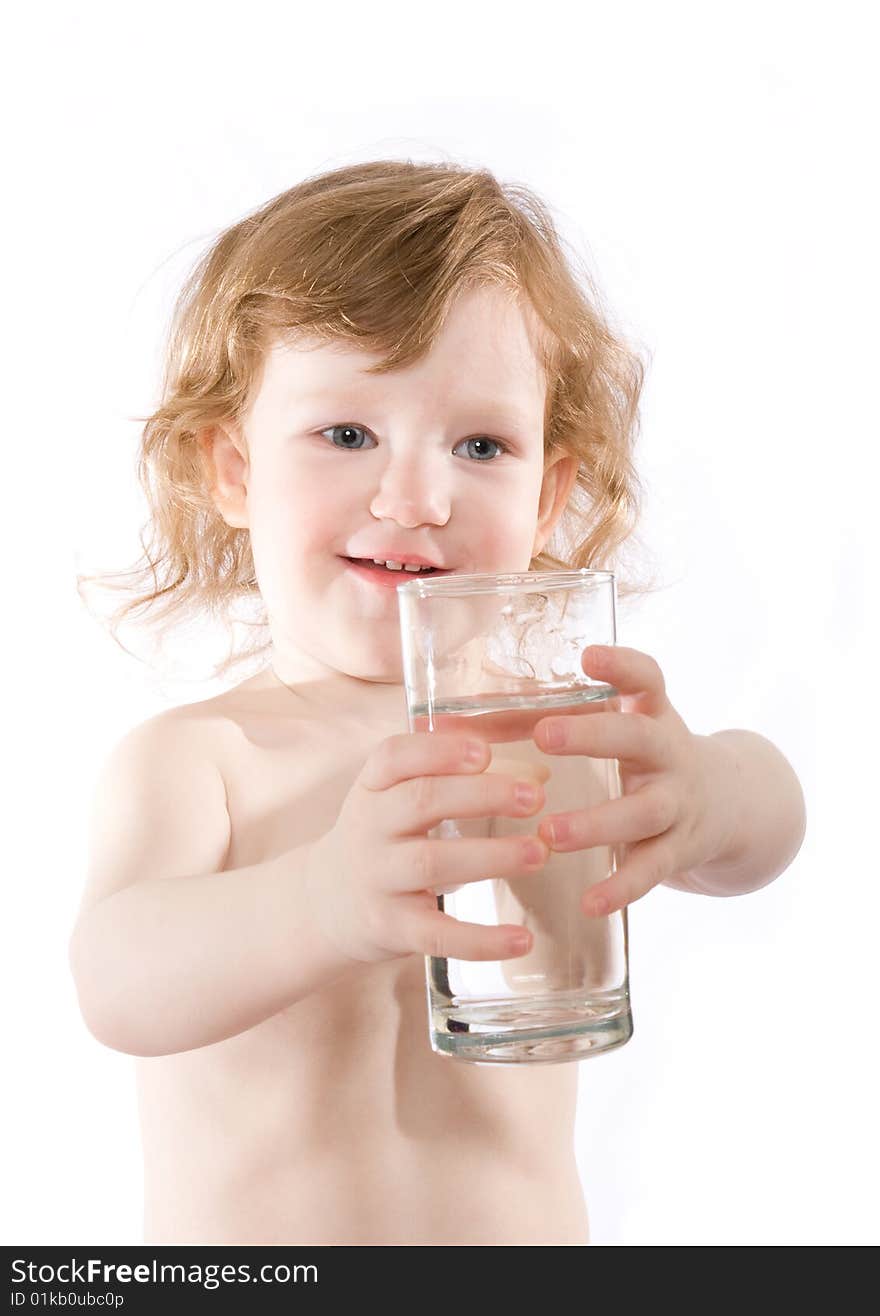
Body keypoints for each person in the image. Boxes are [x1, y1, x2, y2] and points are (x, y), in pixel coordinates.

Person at [69, 159, 807, 1246]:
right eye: (348, 434)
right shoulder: (208, 757)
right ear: (232, 470)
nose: (415, 497)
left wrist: (703, 792)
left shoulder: (548, 734)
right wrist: (320, 898)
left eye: (480, 444)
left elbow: (768, 830)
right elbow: (115, 980)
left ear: (547, 493)